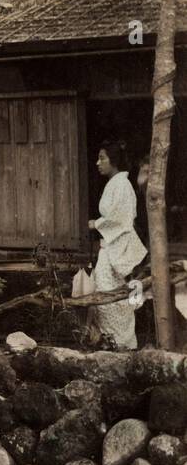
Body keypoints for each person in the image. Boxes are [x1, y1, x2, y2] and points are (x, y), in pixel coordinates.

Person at [88, 140, 147, 349]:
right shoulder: (115, 183)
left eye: (102, 158)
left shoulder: (122, 184)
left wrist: (97, 223)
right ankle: (110, 341)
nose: (98, 162)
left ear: (114, 161)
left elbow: (121, 218)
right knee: (105, 291)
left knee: (115, 294)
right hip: (110, 245)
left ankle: (122, 343)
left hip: (118, 246)